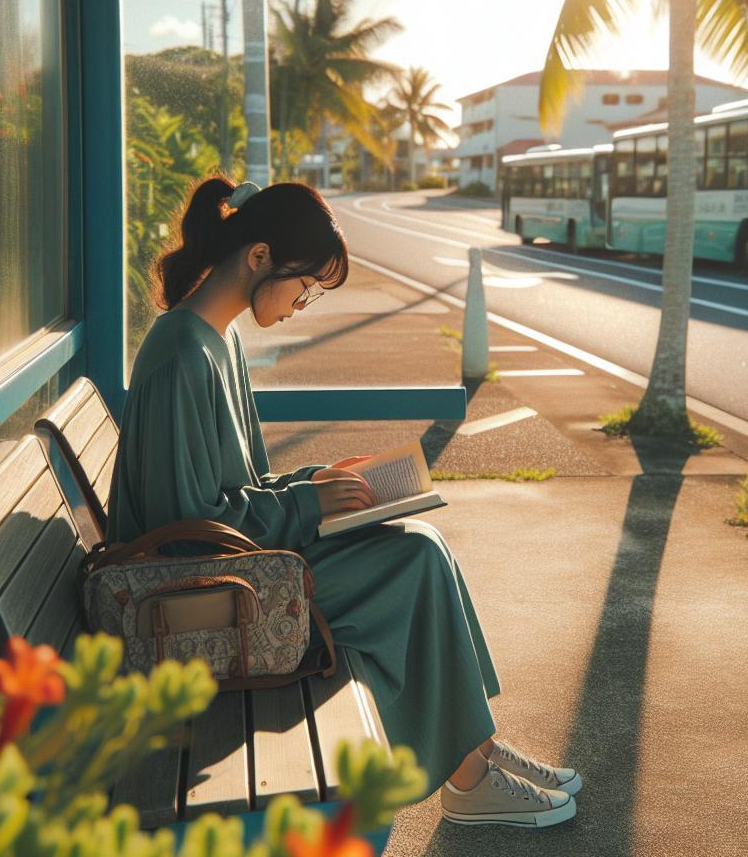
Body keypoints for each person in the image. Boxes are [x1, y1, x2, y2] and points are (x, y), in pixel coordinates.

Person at [106, 175, 582, 828]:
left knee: (424, 545)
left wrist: (318, 480)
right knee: (412, 559)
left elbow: (231, 492)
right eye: (303, 287)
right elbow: (183, 530)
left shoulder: (217, 339)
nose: (303, 304)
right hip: (196, 591)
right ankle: (469, 776)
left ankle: (473, 746)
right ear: (258, 257)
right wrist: (309, 504)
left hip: (233, 563)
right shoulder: (183, 352)